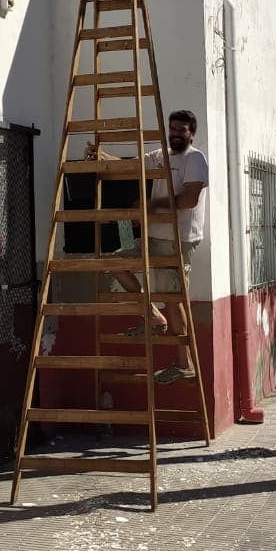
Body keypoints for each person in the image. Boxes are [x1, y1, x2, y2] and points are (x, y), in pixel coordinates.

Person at [85, 110, 208, 385]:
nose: (176, 133)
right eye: (173, 128)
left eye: (182, 130)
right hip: (154, 235)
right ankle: (153, 315)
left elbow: (189, 199)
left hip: (177, 239)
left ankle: (184, 364)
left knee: (173, 298)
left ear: (191, 133)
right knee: (115, 262)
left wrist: (152, 207)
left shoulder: (195, 158)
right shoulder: (160, 155)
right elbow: (130, 166)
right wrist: (100, 155)